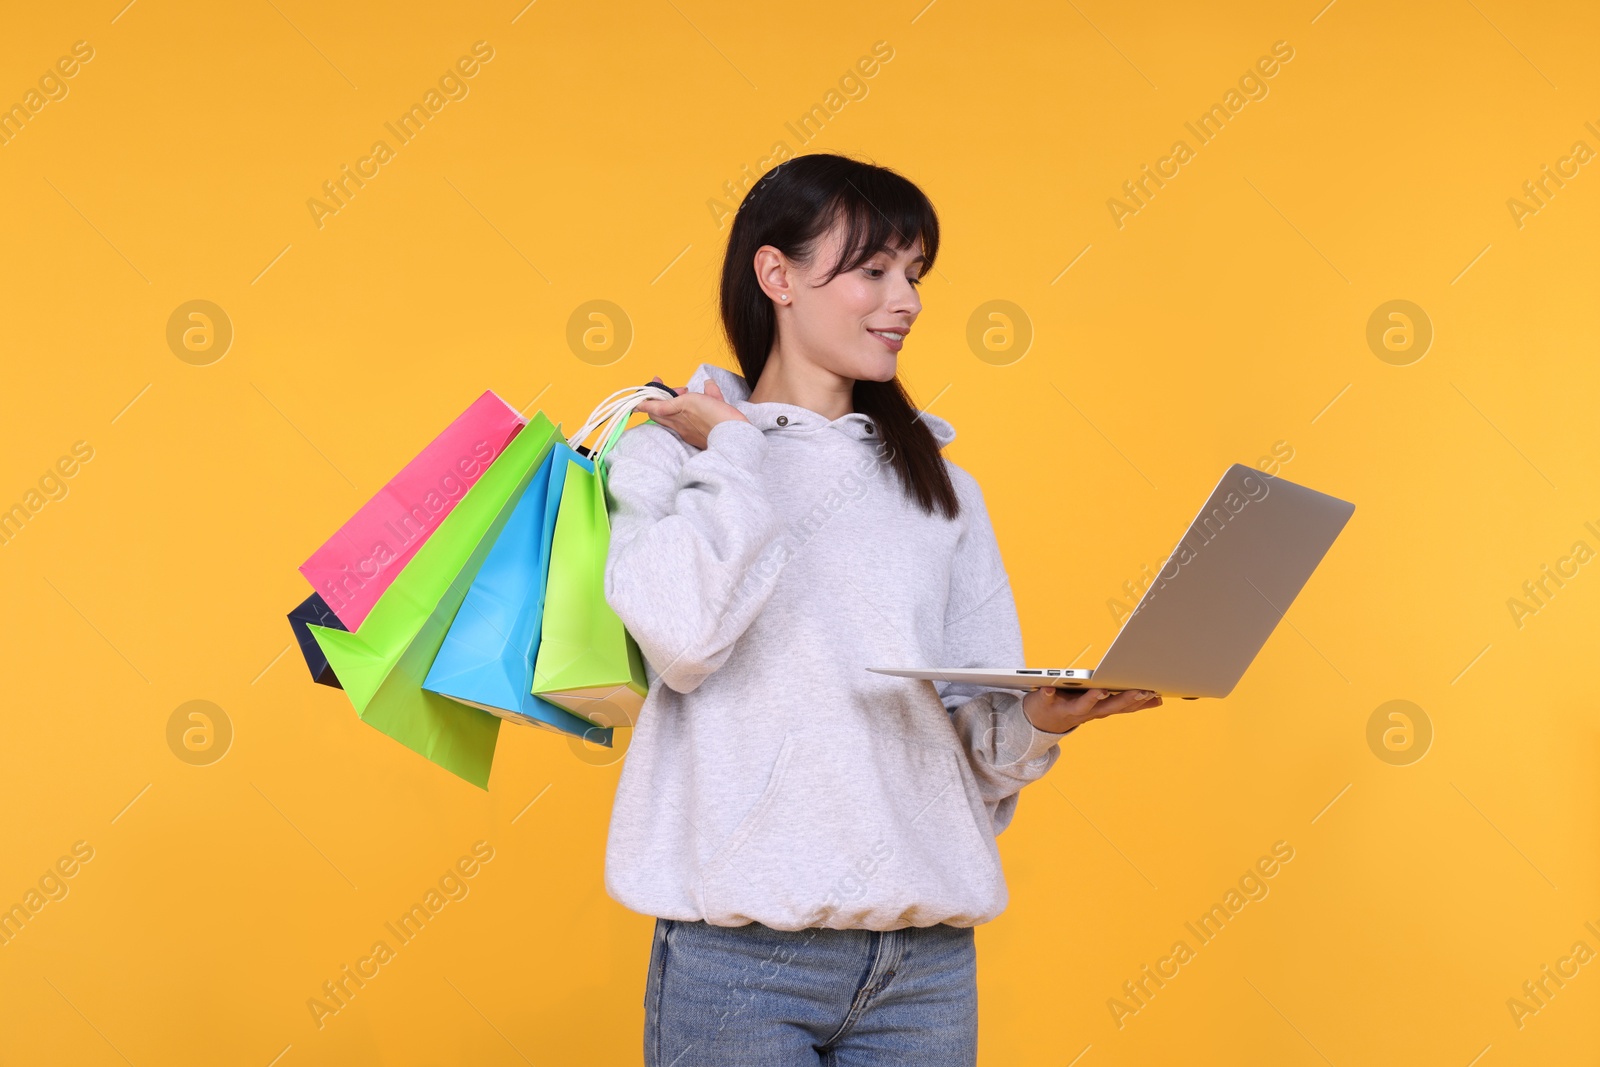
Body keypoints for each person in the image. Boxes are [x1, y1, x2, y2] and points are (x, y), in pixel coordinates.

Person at [601, 152, 1161, 1067]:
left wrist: (1033, 720)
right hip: (742, 959)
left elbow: (971, 760)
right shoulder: (668, 455)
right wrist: (735, 451)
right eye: (873, 270)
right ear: (776, 274)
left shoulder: (941, 487)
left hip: (925, 965)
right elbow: (683, 640)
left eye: (914, 274)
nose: (905, 299)